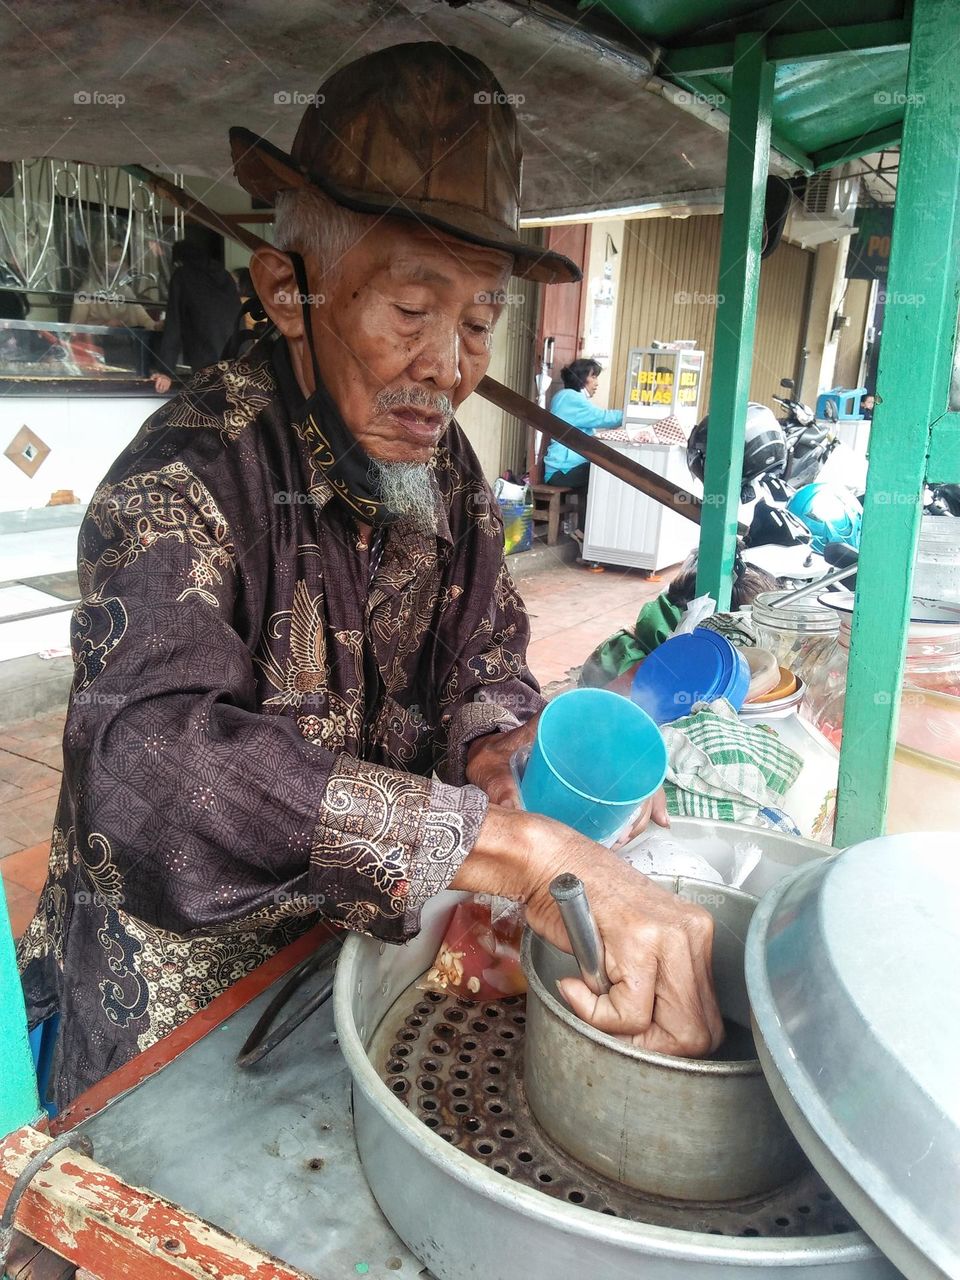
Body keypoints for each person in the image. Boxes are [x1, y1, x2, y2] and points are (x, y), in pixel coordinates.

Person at [18, 42, 722, 1110]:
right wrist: (511, 848)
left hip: (352, 960)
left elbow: (483, 649)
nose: (449, 363)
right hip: (176, 1012)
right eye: (410, 308)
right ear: (288, 292)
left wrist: (499, 749)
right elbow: (151, 768)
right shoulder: (182, 480)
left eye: (479, 319)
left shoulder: (441, 464)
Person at [151, 240, 241, 392]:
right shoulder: (225, 275)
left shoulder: (182, 275)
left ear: (179, 259)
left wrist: (165, 371)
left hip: (205, 356)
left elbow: (174, 323)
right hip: (236, 356)